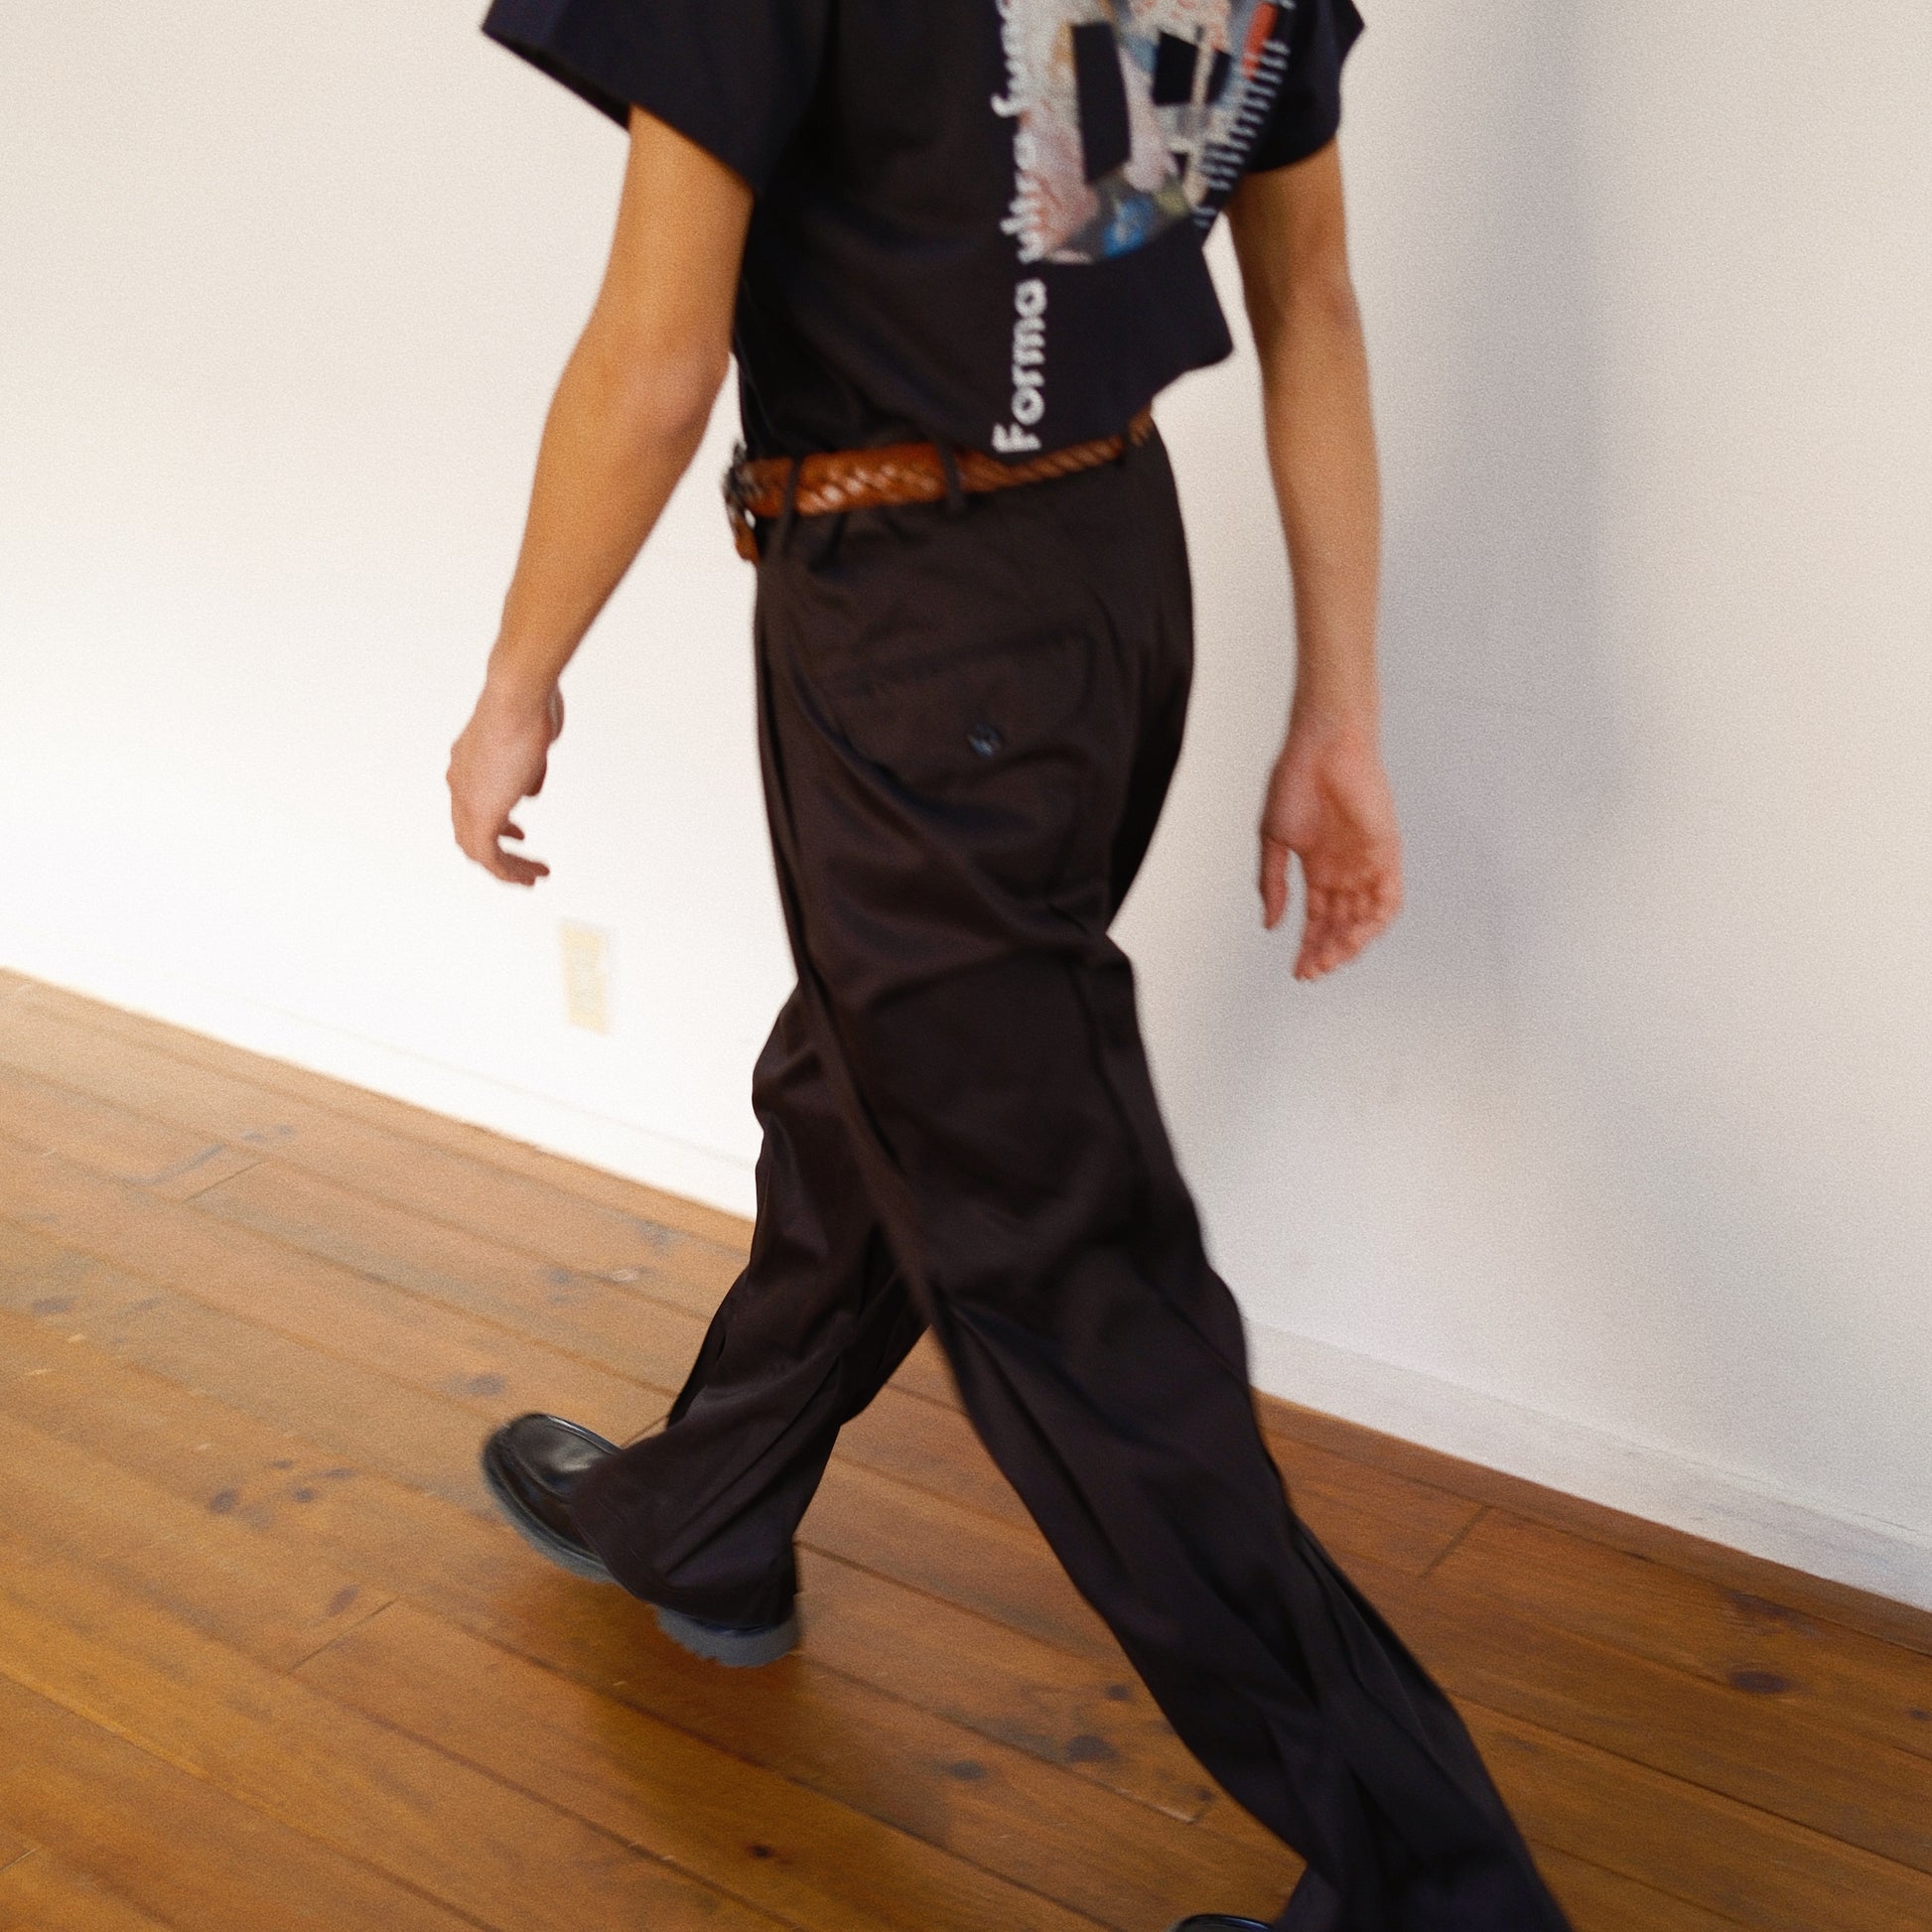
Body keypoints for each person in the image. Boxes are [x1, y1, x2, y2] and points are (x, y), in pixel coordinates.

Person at [448, 2, 1573, 1927]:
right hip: (1108, 586)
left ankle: (1431, 1888)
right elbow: (1301, 299)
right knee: (871, 1090)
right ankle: (705, 1510)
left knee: (1059, 1265)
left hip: (913, 625)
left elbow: (656, 356)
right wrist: (1337, 708)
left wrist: (515, 678)